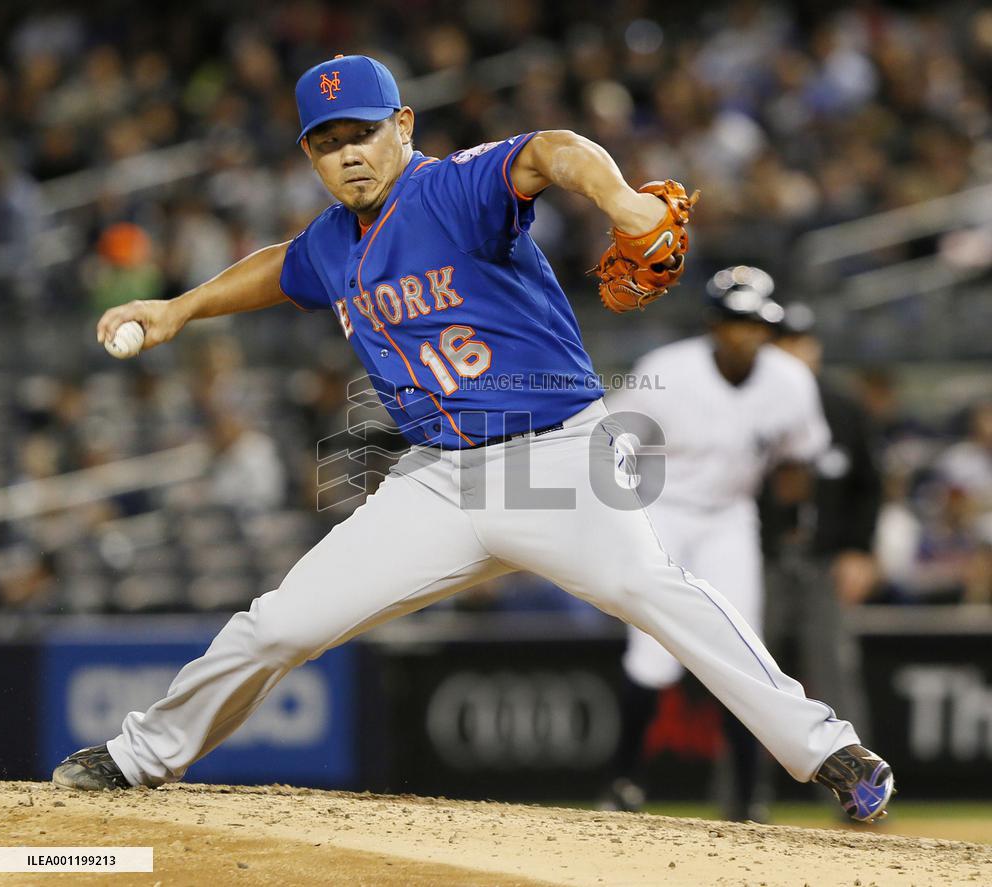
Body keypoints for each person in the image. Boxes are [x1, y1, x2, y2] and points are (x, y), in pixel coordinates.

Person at [52, 54, 893, 823]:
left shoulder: (452, 188)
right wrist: (178, 308)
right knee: (280, 625)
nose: (348, 154)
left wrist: (621, 199)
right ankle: (137, 756)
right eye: (327, 142)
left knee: (654, 591)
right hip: (436, 481)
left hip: (556, 455)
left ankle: (828, 750)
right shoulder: (331, 243)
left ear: (405, 127)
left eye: (365, 133)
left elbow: (552, 150)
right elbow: (281, 265)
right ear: (309, 156)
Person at [602, 267, 831, 821]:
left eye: (755, 323)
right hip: (664, 513)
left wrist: (795, 528)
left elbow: (800, 458)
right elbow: (611, 439)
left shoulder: (790, 380)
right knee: (653, 655)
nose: (745, 334)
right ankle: (624, 781)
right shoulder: (667, 371)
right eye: (734, 322)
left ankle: (747, 801)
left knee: (743, 654)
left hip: (731, 516)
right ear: (713, 324)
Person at [761, 302, 882, 792]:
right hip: (762, 558)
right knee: (748, 676)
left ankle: (863, 789)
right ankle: (743, 797)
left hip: (824, 558)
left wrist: (860, 549)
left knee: (835, 675)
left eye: (800, 342)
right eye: (783, 343)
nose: (793, 353)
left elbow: (869, 486)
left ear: (815, 348)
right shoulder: (751, 405)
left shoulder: (844, 407)